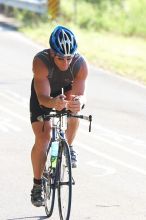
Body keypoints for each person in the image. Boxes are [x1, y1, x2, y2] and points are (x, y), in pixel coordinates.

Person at [30, 25, 88, 207]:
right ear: (51, 53)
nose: (65, 63)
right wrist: (53, 102)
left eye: (69, 58)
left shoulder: (80, 64)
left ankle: (69, 146)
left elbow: (81, 96)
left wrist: (79, 102)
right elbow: (42, 98)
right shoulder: (40, 61)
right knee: (44, 136)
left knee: (73, 111)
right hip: (44, 94)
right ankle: (37, 185)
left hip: (67, 89)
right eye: (61, 58)